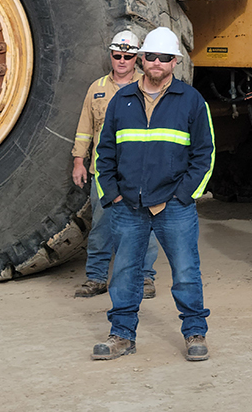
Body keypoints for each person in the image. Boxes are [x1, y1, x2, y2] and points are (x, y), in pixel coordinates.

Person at [91, 26, 216, 362]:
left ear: (175, 62)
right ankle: (121, 336)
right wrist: (113, 194)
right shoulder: (122, 100)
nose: (157, 62)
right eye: (151, 56)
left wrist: (184, 196)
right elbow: (104, 152)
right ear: (141, 59)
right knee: (124, 274)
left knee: (186, 273)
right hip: (129, 206)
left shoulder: (191, 101)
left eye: (164, 57)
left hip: (173, 206)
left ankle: (194, 333)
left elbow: (205, 154)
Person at [71, 30, 159, 301]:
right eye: (117, 55)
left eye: (128, 56)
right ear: (110, 55)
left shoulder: (148, 87)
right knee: (101, 226)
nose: (122, 61)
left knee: (145, 225)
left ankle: (144, 277)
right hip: (103, 172)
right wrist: (79, 161)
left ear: (137, 59)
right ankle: (97, 277)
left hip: (138, 172)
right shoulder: (96, 88)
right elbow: (85, 128)